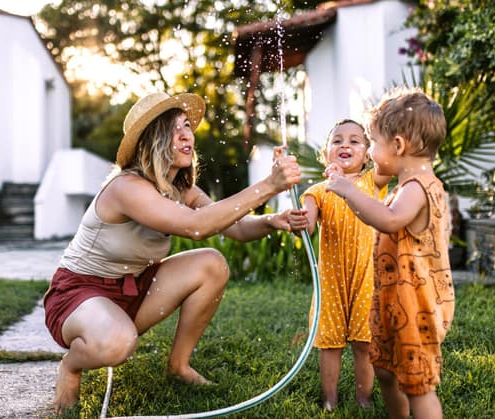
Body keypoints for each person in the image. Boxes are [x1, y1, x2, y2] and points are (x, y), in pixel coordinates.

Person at [42, 91, 302, 413]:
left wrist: (273, 220)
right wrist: (268, 185)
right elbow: (197, 227)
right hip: (80, 293)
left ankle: (179, 366)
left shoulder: (182, 189)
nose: (186, 134)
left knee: (212, 264)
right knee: (117, 343)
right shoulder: (127, 187)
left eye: (188, 126)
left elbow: (236, 228)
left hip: (134, 289)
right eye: (173, 128)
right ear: (152, 140)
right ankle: (71, 366)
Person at [324, 86, 455, 419]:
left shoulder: (416, 188)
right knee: (385, 370)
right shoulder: (407, 186)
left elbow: (389, 220)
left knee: (418, 385)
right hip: (396, 299)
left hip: (417, 305)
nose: (370, 151)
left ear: (398, 145)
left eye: (374, 142)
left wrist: (346, 190)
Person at [288, 119, 390, 410]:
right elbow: (307, 225)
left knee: (364, 342)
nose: (345, 145)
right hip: (331, 280)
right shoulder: (318, 191)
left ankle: (363, 398)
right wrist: (299, 222)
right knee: (330, 343)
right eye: (337, 141)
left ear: (367, 153)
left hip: (367, 276)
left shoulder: (373, 181)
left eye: (355, 141)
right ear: (326, 153)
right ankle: (330, 399)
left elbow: (389, 159)